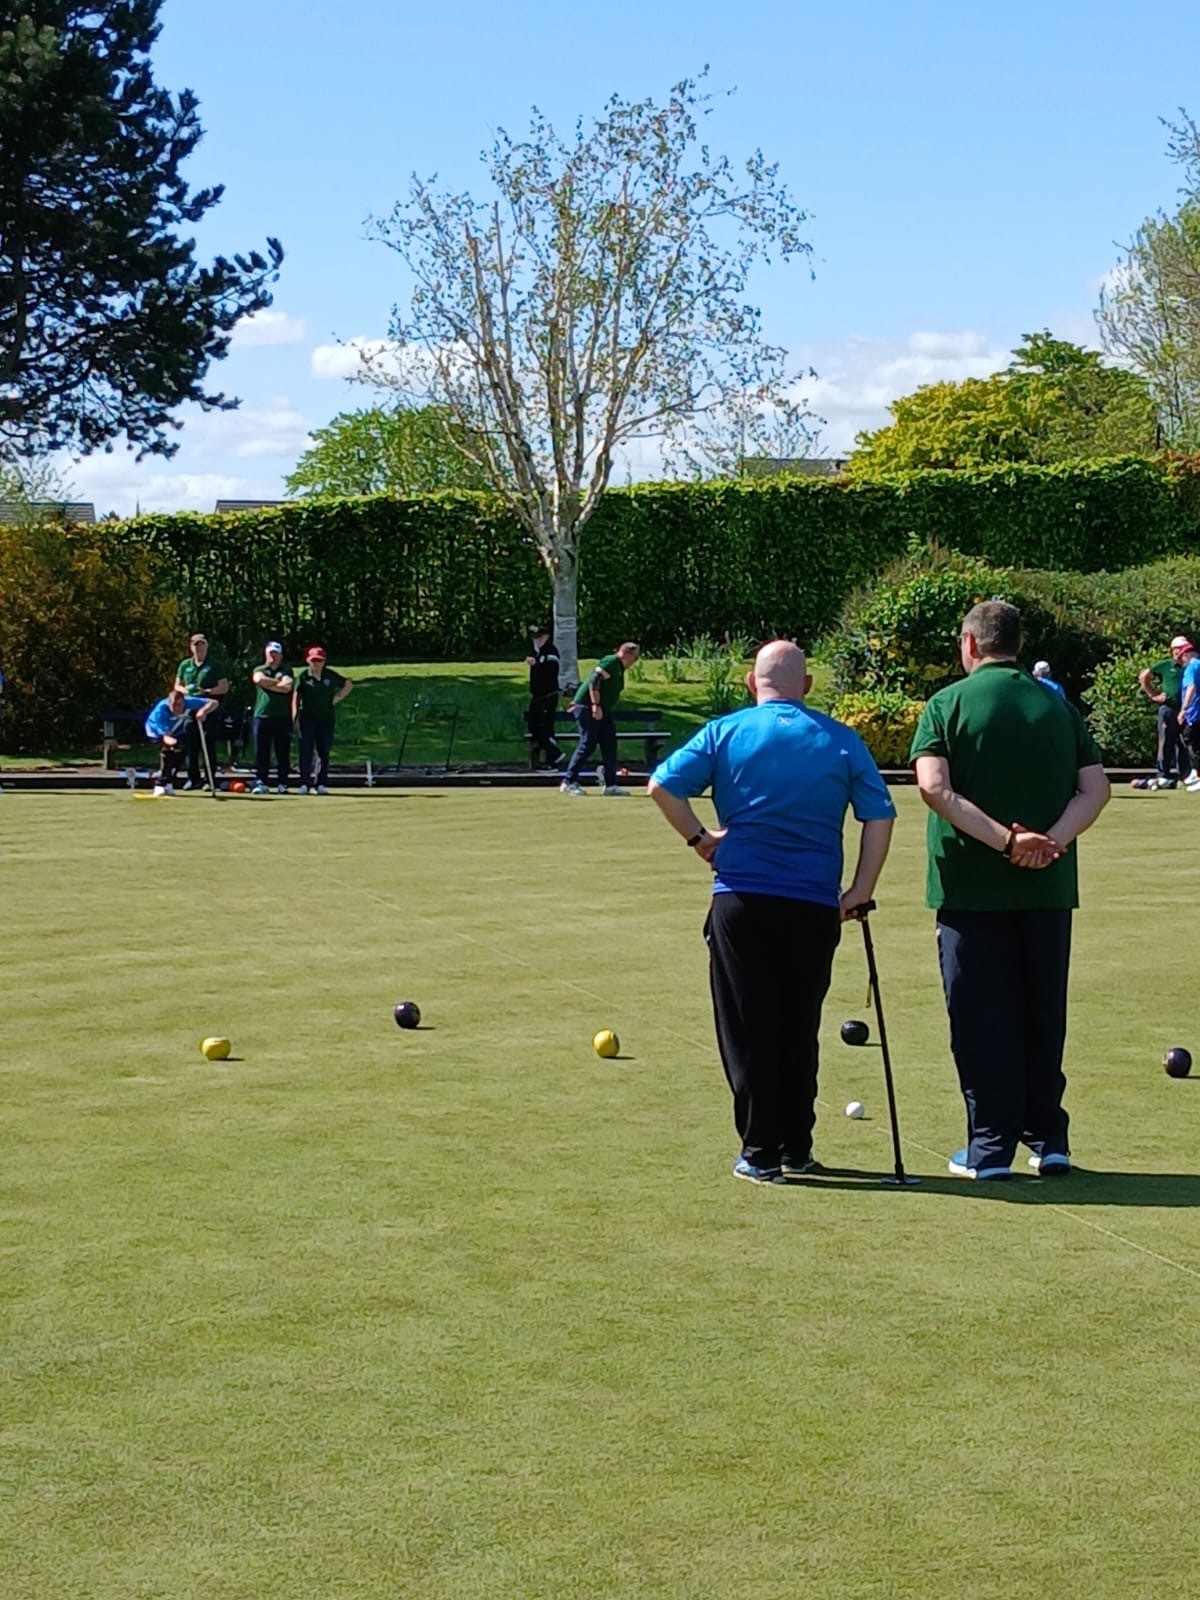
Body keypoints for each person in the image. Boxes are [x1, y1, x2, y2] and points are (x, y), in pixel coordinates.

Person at [648, 640, 896, 1185]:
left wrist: (700, 838)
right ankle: (795, 1144)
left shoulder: (725, 732)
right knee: (797, 1024)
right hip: (813, 904)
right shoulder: (840, 739)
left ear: (750, 682)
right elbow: (879, 815)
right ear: (806, 687)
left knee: (747, 1026)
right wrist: (859, 889)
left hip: (741, 897)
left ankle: (760, 1150)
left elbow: (661, 785)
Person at [909, 601, 1109, 1182]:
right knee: (1042, 1013)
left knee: (979, 1015)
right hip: (1047, 890)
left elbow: (933, 789)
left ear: (970, 645)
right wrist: (1047, 843)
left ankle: (990, 1144)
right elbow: (1094, 789)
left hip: (971, 888)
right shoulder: (1055, 704)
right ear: (1017, 645)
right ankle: (1049, 1137)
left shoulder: (946, 704)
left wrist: (1006, 841)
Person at [560, 641, 640, 797]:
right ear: (627, 654)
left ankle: (611, 784)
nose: (635, 661)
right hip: (588, 707)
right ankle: (569, 781)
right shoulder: (611, 661)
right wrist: (595, 705)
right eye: (635, 657)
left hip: (604, 710)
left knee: (609, 744)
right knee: (587, 744)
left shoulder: (619, 668)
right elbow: (594, 680)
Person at [292, 646, 352, 794]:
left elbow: (348, 684)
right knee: (305, 751)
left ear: (324, 661)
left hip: (326, 719)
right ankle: (304, 783)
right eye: (313, 660)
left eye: (319, 660)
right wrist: (294, 717)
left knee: (323, 751)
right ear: (308, 661)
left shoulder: (329, 675)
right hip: (307, 719)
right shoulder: (303, 676)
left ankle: (320, 783)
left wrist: (337, 698)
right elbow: (295, 697)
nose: (316, 663)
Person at [173, 632, 229, 789]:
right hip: (189, 709)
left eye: (202, 645)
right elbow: (176, 685)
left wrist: (206, 691)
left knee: (208, 745)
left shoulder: (215, 665)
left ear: (206, 646)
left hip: (209, 708)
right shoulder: (185, 665)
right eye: (196, 646)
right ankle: (193, 778)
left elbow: (223, 687)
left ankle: (209, 779)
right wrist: (186, 691)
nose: (199, 649)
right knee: (191, 745)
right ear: (191, 647)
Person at [1134, 636, 1190, 789]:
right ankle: (1162, 774)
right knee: (1166, 741)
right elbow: (1144, 676)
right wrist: (1153, 695)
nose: (1184, 652)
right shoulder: (1166, 665)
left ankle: (1184, 775)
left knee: (1184, 743)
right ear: (1174, 650)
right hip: (1169, 708)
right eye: (1181, 649)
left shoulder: (1190, 666)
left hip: (1186, 709)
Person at [145, 688, 217, 797]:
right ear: (168, 703)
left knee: (182, 754)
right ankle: (160, 785)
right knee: (168, 752)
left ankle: (169, 783)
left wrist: (203, 711)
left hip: (177, 731)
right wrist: (177, 744)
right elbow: (166, 738)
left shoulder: (189, 701)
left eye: (179, 705)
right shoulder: (160, 711)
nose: (176, 708)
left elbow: (214, 702)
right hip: (156, 733)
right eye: (173, 705)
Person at [250, 641, 294, 794]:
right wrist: (278, 683)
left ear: (280, 655)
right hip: (261, 715)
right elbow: (259, 680)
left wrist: (269, 685)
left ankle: (283, 783)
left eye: (275, 654)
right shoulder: (260, 669)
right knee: (261, 751)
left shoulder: (286, 670)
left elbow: (287, 687)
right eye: (270, 653)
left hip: (282, 716)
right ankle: (261, 781)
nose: (272, 656)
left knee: (282, 751)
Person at [525, 625, 564, 769]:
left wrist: (537, 665)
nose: (537, 640)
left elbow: (550, 674)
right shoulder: (536, 652)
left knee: (546, 729)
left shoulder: (550, 652)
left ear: (546, 637)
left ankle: (552, 758)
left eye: (539, 637)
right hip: (537, 696)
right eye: (535, 638)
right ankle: (552, 755)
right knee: (534, 727)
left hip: (548, 696)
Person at [1175, 639, 1200, 792]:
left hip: (1195, 713)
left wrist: (1184, 709)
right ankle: (1195, 773)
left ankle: (1198, 775)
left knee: (1193, 744)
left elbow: (1192, 687)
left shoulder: (1191, 668)